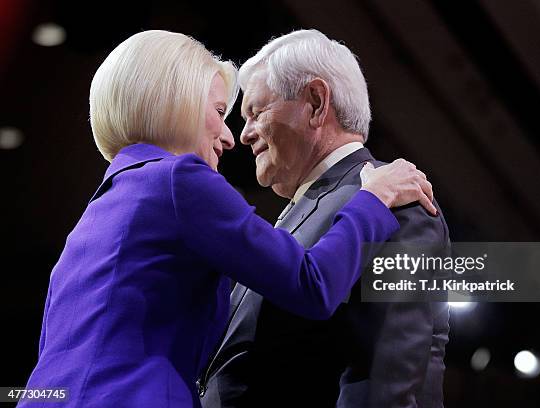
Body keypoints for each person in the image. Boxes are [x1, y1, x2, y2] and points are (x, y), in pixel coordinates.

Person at [19, 30, 436, 408]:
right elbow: (311, 285)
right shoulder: (179, 180)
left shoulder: (95, 214)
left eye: (250, 113)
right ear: (176, 102)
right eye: (221, 112)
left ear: (315, 103)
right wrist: (375, 198)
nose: (231, 135)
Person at [200, 30, 450, 408]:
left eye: (255, 112)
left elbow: (386, 378)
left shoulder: (398, 202)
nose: (244, 133)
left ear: (316, 102)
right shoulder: (313, 205)